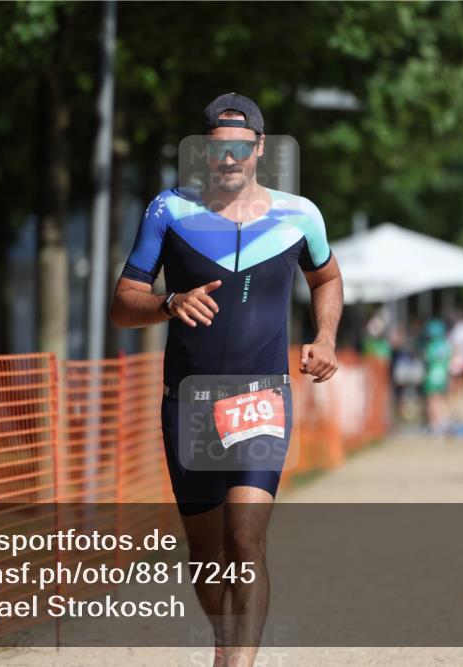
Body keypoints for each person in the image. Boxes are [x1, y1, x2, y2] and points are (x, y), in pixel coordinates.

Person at [110, 93, 343, 667]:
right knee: (208, 554)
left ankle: (240, 661)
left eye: (240, 147)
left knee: (245, 540)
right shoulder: (169, 211)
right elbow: (122, 303)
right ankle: (224, 643)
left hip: (260, 398)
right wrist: (168, 303)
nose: (229, 159)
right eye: (218, 149)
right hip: (188, 401)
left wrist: (327, 337)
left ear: (259, 148)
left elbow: (328, 279)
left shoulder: (300, 216)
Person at [422, 319, 452, 436]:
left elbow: (428, 361)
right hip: (443, 375)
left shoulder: (431, 346)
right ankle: (444, 422)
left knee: (432, 401)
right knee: (442, 399)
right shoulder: (446, 345)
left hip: (432, 376)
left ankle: (435, 425)